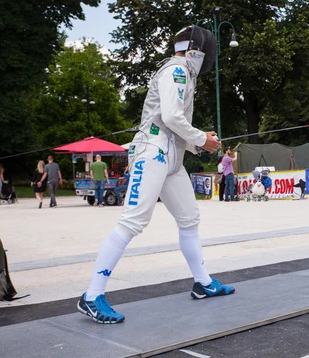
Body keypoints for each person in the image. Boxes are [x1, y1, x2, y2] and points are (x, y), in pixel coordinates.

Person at [77, 25, 234, 324]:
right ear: (195, 51)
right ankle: (92, 295)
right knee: (133, 221)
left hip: (172, 156)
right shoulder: (175, 70)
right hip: (152, 152)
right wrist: (202, 138)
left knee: (189, 219)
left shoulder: (184, 73)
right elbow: (170, 117)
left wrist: (200, 142)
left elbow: (175, 126)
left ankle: (202, 283)